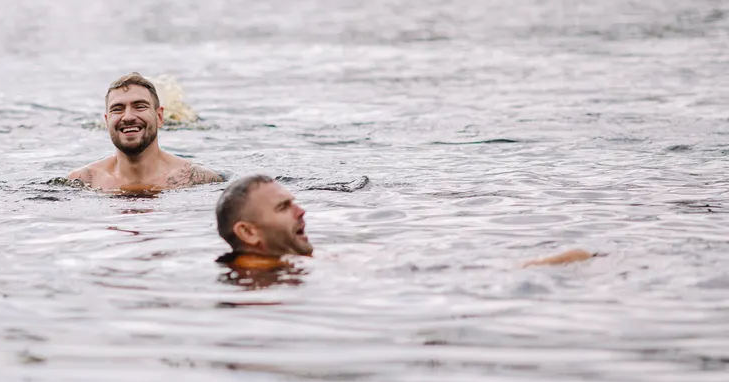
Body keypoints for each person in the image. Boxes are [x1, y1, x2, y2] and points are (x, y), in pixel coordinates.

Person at [214, 174, 597, 275]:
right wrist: (533, 267)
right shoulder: (262, 283)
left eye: (295, 202)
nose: (301, 212)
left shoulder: (288, 267)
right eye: (284, 207)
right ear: (248, 232)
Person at [67, 72, 223, 192]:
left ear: (159, 117)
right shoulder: (84, 181)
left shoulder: (198, 179)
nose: (128, 117)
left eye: (140, 106)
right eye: (118, 109)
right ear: (107, 121)